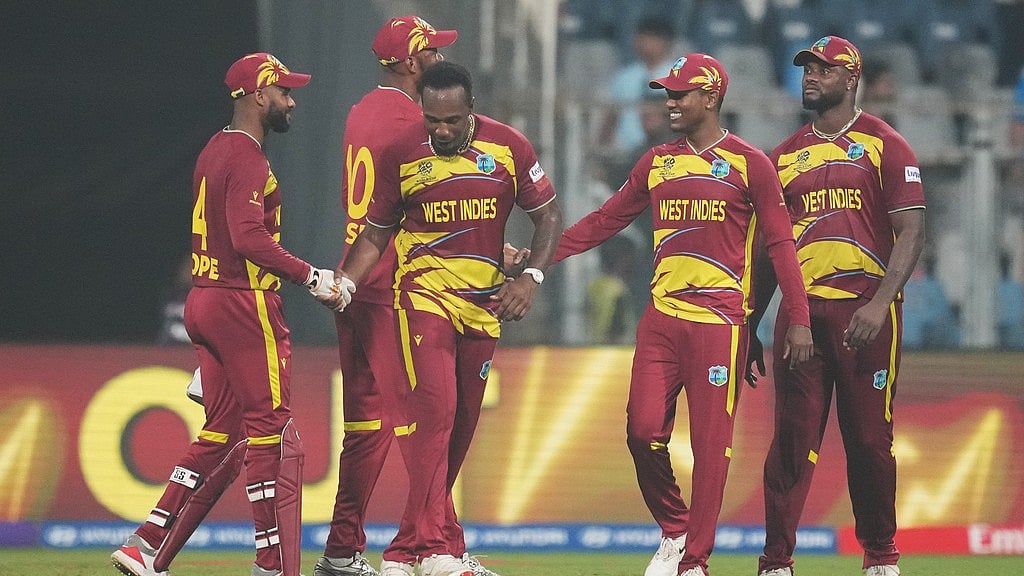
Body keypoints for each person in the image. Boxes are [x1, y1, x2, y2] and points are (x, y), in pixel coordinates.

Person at [553, 53, 813, 576]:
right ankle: (675, 528)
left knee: (711, 449)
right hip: (662, 319)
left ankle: (694, 562)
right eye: (667, 93)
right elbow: (606, 219)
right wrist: (541, 258)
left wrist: (799, 317)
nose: (669, 102)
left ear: (711, 97)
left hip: (720, 322)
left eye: (679, 94)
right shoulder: (656, 161)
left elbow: (781, 244)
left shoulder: (750, 163)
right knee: (642, 431)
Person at [110, 52, 345, 576]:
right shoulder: (248, 159)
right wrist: (311, 276)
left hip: (204, 299)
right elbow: (248, 237)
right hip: (245, 303)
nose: (291, 102)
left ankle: (147, 541)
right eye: (284, 92)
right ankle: (271, 563)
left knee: (221, 432)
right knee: (272, 434)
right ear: (259, 95)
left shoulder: (214, 148)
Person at [327, 61, 563, 576]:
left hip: (484, 307)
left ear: (471, 109)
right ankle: (433, 552)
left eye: (452, 120)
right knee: (436, 413)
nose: (442, 131)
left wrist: (531, 278)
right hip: (423, 299)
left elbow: (547, 214)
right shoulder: (401, 151)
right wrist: (346, 282)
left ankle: (409, 551)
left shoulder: (509, 147)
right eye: (433, 120)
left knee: (459, 429)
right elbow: (376, 232)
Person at [747, 36, 926, 576]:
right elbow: (768, 248)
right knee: (791, 442)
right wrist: (751, 323)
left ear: (851, 79)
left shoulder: (885, 144)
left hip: (864, 313)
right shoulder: (782, 157)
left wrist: (879, 303)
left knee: (869, 440)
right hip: (800, 317)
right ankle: (776, 562)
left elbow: (912, 230)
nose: (811, 77)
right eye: (807, 69)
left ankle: (880, 558)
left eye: (824, 70)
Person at [314, 15, 459, 576]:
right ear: (410, 62)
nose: (440, 61)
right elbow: (431, 200)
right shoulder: (411, 119)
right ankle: (434, 549)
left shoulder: (361, 110)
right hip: (392, 282)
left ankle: (341, 548)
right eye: (432, 52)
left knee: (365, 425)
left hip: (355, 279)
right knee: (425, 421)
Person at [600, 16, 678, 152]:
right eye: (642, 38)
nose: (645, 43)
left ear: (665, 42)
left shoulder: (678, 76)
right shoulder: (624, 76)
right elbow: (612, 116)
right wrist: (601, 146)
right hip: (625, 150)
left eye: (652, 38)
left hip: (665, 150)